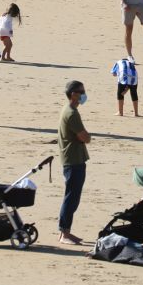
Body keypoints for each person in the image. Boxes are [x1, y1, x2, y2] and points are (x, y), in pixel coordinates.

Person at [57, 79, 91, 246]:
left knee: (73, 197)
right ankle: (64, 233)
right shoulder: (71, 113)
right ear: (73, 94)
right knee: (71, 197)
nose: (84, 95)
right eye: (81, 92)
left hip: (74, 159)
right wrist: (88, 137)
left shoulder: (69, 110)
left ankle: (66, 231)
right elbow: (84, 137)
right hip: (73, 160)